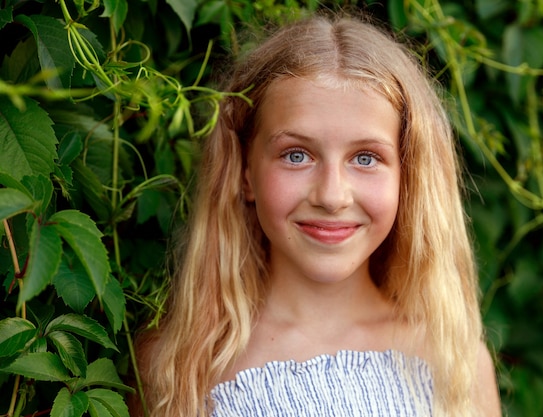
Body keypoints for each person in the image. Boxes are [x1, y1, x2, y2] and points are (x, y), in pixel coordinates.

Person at [132, 14, 501, 417]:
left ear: (407, 178)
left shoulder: (456, 365)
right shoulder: (176, 368)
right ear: (244, 171)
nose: (331, 196)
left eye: (365, 158)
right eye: (296, 155)